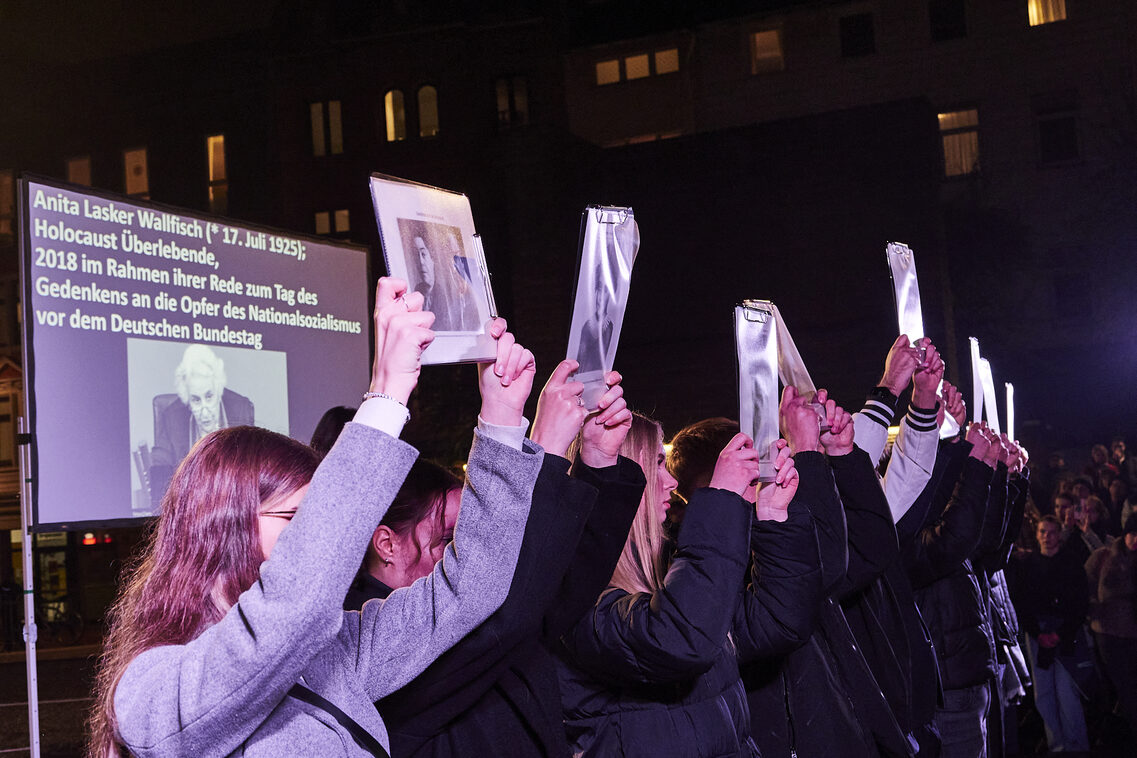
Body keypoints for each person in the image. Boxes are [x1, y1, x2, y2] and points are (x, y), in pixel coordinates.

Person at [87, 278, 543, 757]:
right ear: (226, 524)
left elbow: (471, 588)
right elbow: (292, 608)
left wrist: (501, 420)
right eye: (297, 517)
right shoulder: (152, 690)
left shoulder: (329, 653)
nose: (319, 534)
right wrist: (386, 396)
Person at [359, 361, 646, 757]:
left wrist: (596, 463)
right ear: (387, 544)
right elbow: (506, 613)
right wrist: (544, 453)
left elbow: (559, 587)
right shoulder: (367, 640)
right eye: (448, 538)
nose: (471, 551)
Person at [556, 402, 817, 757]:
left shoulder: (668, 570)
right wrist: (720, 500)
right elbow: (680, 638)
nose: (671, 482)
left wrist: (771, 516)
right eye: (657, 465)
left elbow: (778, 622)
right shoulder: (577, 599)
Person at [1009, 515, 1091, 754]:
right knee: (1043, 694)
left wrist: (1061, 633)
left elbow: (1080, 603)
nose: (1047, 536)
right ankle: (1057, 744)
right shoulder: (1028, 565)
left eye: (1052, 532)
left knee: (1067, 693)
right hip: (1038, 634)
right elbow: (1022, 603)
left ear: (1059, 535)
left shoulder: (1071, 564)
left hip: (1064, 633)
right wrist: (1036, 633)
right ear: (1037, 534)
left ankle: (1076, 746)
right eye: (1043, 532)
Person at [149, 344, 255, 506]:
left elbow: (251, 467)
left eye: (209, 396)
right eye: (196, 400)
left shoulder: (241, 408)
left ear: (219, 389)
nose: (205, 410)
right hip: (190, 505)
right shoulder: (172, 416)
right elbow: (160, 468)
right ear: (187, 400)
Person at [1084, 513, 1137, 740]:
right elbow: (1085, 586)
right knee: (1124, 685)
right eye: (1133, 534)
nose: (1135, 540)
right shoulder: (1104, 557)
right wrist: (1094, 610)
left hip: (1132, 631)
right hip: (1109, 631)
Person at [407, 231, 478, 332]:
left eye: (423, 254)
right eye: (415, 256)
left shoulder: (449, 296)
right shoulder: (412, 294)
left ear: (433, 258)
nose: (421, 262)